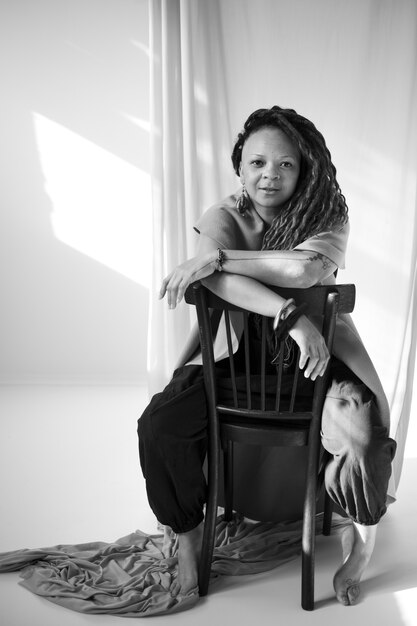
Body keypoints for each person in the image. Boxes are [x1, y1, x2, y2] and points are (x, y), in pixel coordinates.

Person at [137, 106, 396, 606]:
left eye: (284, 165)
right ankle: (190, 543)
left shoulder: (327, 214)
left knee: (362, 432)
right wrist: (292, 318)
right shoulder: (223, 216)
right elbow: (215, 282)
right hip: (238, 354)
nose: (269, 175)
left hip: (316, 360)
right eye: (257, 163)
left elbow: (302, 272)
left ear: (304, 171)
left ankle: (359, 551)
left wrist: (214, 258)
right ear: (240, 167)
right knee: (160, 425)